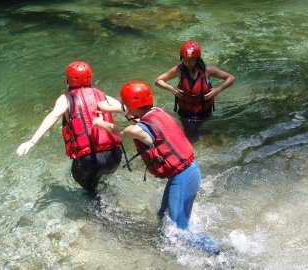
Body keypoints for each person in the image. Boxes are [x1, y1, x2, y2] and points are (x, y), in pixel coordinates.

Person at [93, 81, 220, 254]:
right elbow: (129, 110)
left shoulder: (138, 129)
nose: (124, 108)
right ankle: (164, 254)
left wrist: (97, 122)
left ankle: (219, 254)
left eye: (125, 105)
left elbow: (119, 131)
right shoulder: (157, 111)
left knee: (180, 232)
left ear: (131, 106)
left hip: (183, 176)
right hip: (186, 172)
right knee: (163, 215)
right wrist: (106, 108)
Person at [16, 61, 122, 194]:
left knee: (91, 194)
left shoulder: (66, 98)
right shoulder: (101, 95)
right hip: (114, 156)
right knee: (105, 184)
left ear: (68, 80)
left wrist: (32, 141)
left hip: (87, 161)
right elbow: (125, 109)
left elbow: (53, 116)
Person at [155, 40, 236, 140]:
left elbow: (231, 78)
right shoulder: (178, 70)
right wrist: (171, 88)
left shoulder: (207, 70)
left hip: (205, 113)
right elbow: (158, 80)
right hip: (185, 114)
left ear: (197, 59)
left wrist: (218, 90)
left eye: (191, 60)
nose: (188, 63)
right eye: (185, 60)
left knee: (208, 135)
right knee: (192, 136)